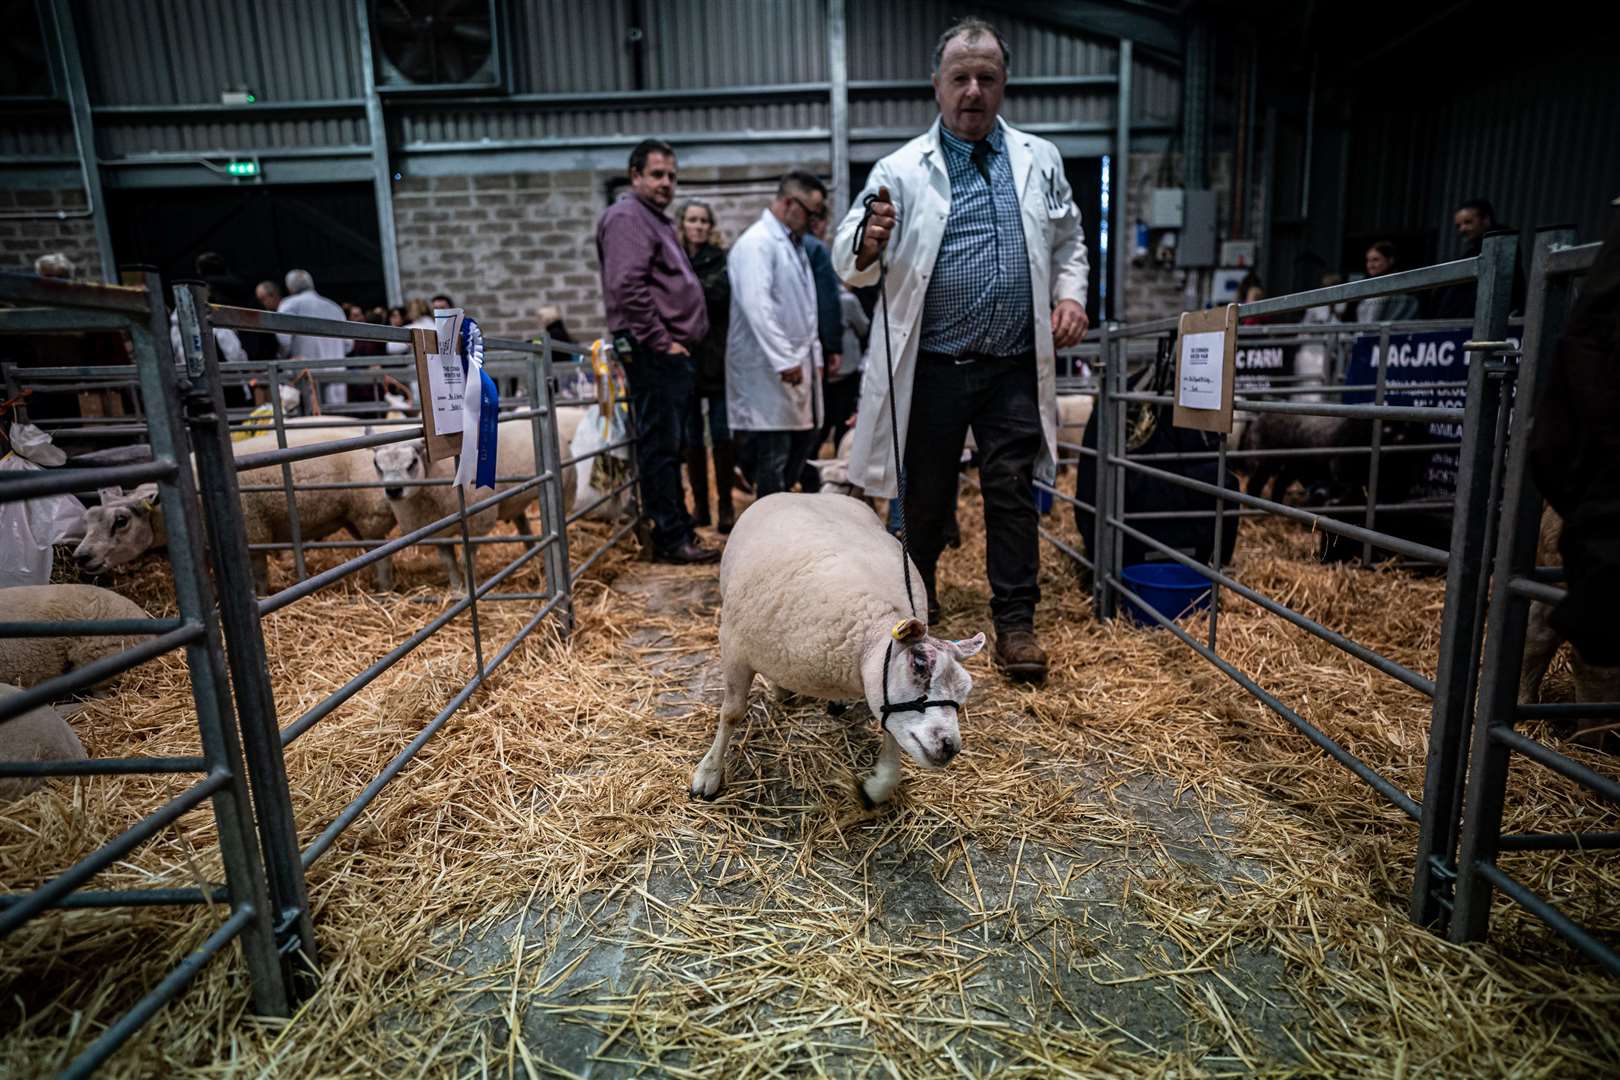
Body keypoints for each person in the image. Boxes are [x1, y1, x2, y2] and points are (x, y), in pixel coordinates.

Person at [832, 17, 1090, 682]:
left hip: (1010, 364)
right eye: (960, 78)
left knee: (1010, 490)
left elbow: (1069, 240)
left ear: (1003, 84)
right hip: (935, 368)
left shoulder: (1041, 159)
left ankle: (1016, 624)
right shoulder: (897, 170)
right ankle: (920, 606)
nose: (973, 90)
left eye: (987, 77)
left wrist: (1071, 295)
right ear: (936, 86)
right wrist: (868, 241)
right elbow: (848, 257)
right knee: (924, 499)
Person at [595, 138, 718, 565]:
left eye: (671, 175)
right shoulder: (629, 217)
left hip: (667, 351)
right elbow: (626, 285)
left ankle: (677, 528)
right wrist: (661, 340)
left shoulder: (654, 219)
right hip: (655, 351)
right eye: (657, 174)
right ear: (635, 176)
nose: (666, 183)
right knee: (661, 444)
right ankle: (670, 537)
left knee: (670, 443)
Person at [726, 170, 827, 499]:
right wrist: (785, 359)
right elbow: (759, 307)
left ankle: (776, 520)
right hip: (769, 372)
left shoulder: (791, 245)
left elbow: (806, 311)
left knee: (798, 447)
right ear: (788, 203)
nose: (814, 222)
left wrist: (816, 357)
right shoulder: (756, 244)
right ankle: (769, 534)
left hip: (795, 368)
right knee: (774, 457)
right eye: (811, 213)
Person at [674, 198, 739, 533]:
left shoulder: (721, 261)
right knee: (691, 438)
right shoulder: (673, 257)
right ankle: (701, 505)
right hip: (685, 359)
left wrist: (684, 288)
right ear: (682, 224)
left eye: (703, 221)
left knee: (721, 433)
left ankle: (725, 503)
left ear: (710, 227)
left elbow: (718, 295)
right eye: (692, 220)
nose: (698, 226)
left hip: (716, 357)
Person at [1432, 197, 1526, 318]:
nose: (1462, 229)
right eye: (1458, 226)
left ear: (1486, 220)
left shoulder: (1501, 245)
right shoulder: (1473, 252)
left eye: (1468, 222)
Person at [275, 269, 352, 406]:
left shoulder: (289, 305)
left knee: (311, 421)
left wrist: (283, 356)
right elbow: (348, 345)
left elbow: (283, 340)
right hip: (335, 375)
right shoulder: (334, 307)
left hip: (306, 374)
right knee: (339, 421)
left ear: (290, 288)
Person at [1354, 242, 1420, 323]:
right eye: (1368, 260)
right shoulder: (1368, 288)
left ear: (1390, 260)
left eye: (1375, 260)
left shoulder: (1404, 288)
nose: (1370, 265)